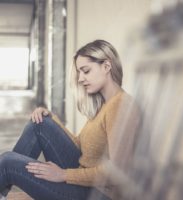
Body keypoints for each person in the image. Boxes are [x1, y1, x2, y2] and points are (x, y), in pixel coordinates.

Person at [0, 40, 141, 200]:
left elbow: (119, 172)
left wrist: (64, 175)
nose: (80, 78)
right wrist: (52, 120)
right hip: (86, 182)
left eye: (86, 71)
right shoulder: (105, 104)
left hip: (100, 194)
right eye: (79, 72)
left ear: (107, 67)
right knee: (39, 124)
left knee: (7, 162)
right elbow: (81, 147)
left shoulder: (120, 105)